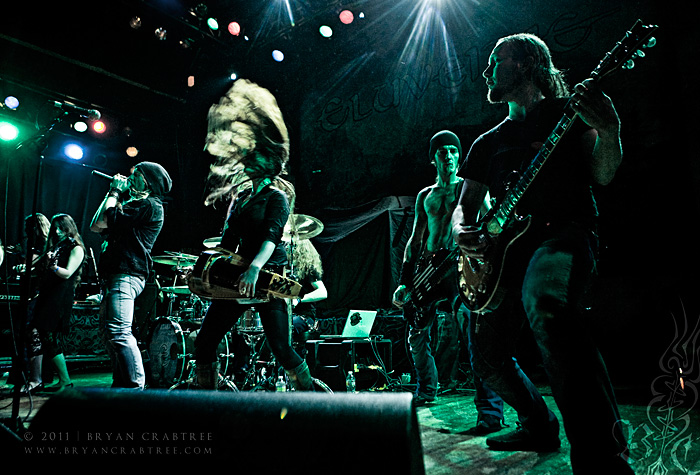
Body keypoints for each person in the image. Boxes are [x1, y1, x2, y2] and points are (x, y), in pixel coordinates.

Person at [451, 33, 632, 473]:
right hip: (505, 257)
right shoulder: (485, 144)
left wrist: (610, 131)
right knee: (487, 356)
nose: (485, 70)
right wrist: (462, 230)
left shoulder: (567, 116)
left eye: (496, 60)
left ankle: (603, 457)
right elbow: (464, 205)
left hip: (564, 237)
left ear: (527, 64)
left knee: (546, 304)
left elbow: (603, 174)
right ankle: (537, 422)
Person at [193, 79, 314, 391]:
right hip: (239, 276)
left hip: (268, 276)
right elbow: (227, 243)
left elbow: (272, 236)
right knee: (205, 341)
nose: (243, 158)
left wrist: (255, 267)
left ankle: (311, 398)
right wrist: (205, 270)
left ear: (265, 159)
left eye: (250, 154)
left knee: (281, 349)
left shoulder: (277, 197)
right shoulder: (239, 198)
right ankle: (205, 402)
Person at [393, 130, 505, 433]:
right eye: (442, 151)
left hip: (460, 267)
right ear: (434, 158)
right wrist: (405, 280)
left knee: (475, 331)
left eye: (454, 151)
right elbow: (415, 240)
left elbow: (494, 223)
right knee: (415, 333)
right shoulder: (424, 196)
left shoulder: (471, 189)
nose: (449, 156)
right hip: (428, 270)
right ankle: (427, 389)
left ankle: (490, 411)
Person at [90, 161, 172, 389]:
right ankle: (122, 384)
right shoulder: (133, 205)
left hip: (127, 274)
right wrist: (111, 193)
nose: (129, 177)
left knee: (119, 332)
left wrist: (116, 191)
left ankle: (137, 387)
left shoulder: (150, 206)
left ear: (146, 180)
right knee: (110, 336)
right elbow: (97, 225)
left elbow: (111, 218)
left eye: (135, 174)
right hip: (116, 275)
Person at [30, 214, 86, 391]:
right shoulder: (56, 247)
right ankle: (52, 379)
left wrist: (52, 266)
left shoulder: (76, 248)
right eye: (55, 227)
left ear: (69, 227)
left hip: (59, 298)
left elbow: (68, 272)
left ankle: (65, 380)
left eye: (61, 227)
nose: (56, 231)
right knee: (42, 335)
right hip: (47, 294)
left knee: (50, 337)